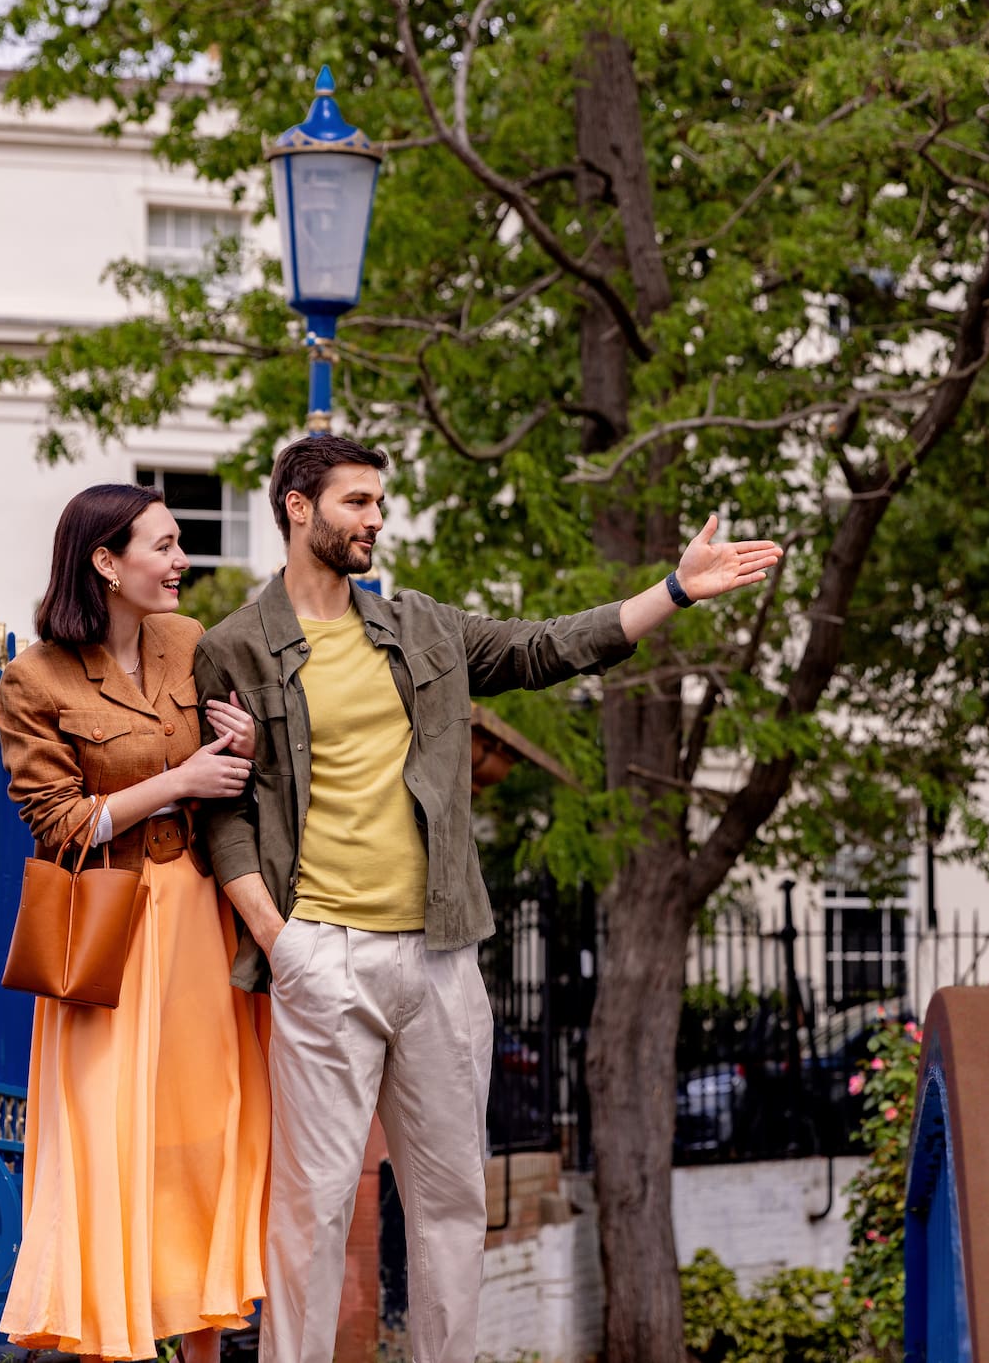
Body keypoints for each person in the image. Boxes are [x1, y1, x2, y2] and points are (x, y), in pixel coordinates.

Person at [193, 436, 782, 1363]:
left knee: (452, 1204)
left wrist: (672, 592)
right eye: (355, 502)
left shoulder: (421, 627)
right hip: (321, 953)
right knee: (311, 1205)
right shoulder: (232, 649)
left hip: (439, 957)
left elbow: (545, 648)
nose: (375, 520)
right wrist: (282, 939)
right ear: (298, 508)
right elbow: (223, 817)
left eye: (379, 502)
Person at [0, 482, 270, 1363]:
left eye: (180, 543)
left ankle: (204, 1342)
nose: (182, 561)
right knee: (110, 1145)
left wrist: (245, 750)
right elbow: (59, 823)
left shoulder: (190, 644)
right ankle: (110, 1341)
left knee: (203, 1133)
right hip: (109, 935)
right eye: (163, 545)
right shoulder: (33, 678)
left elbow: (236, 773)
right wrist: (177, 782)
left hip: (198, 917)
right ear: (106, 563)